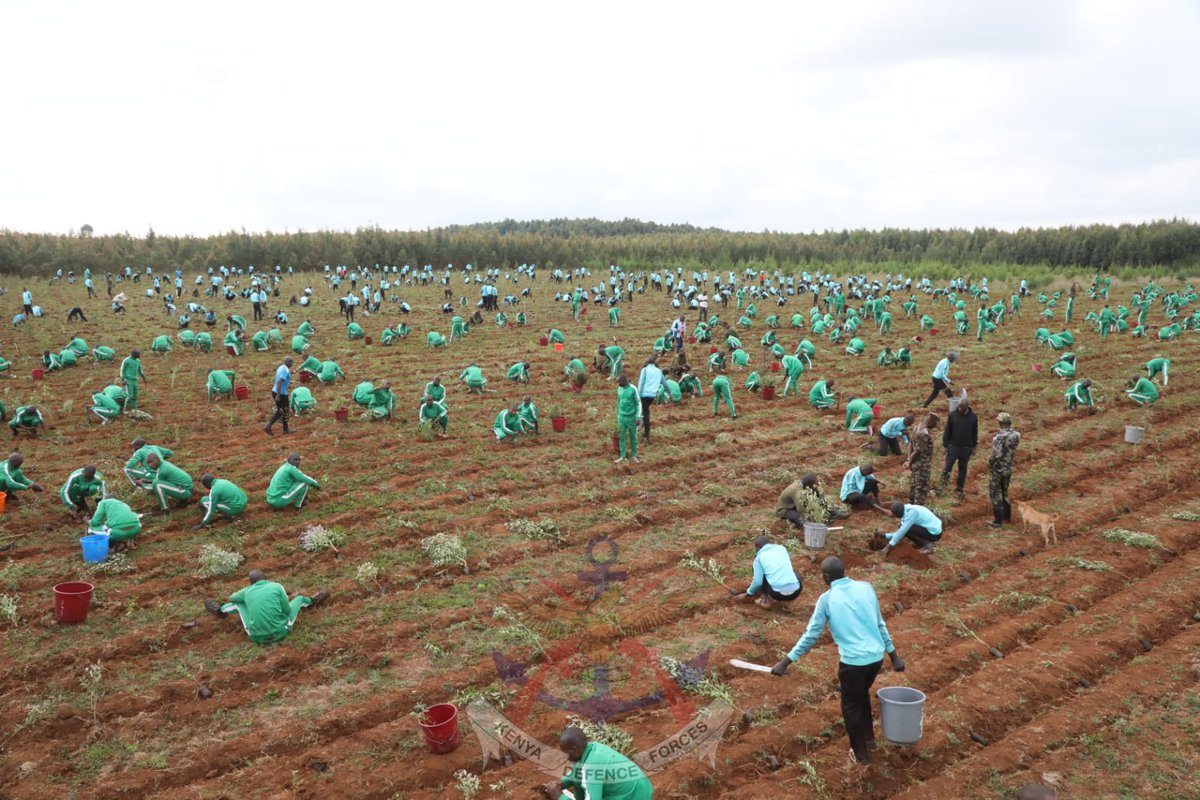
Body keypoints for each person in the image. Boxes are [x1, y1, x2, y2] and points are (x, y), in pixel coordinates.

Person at [770, 556, 904, 766]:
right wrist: (894, 655)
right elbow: (880, 623)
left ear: (825, 577)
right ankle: (869, 741)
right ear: (844, 570)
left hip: (853, 663)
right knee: (861, 695)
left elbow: (811, 636)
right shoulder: (866, 588)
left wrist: (786, 662)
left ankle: (860, 756)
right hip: (876, 658)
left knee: (851, 706)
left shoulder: (826, 600)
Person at [205, 570, 329, 644]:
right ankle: (313, 601)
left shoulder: (248, 591)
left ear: (251, 582)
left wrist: (246, 593)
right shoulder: (276, 586)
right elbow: (287, 610)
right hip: (281, 631)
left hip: (255, 636)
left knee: (239, 603)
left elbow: (232, 598)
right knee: (300, 598)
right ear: (266, 579)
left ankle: (220, 611)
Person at [537, 726, 653, 800]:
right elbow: (579, 771)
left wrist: (560, 797)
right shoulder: (593, 748)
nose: (566, 758)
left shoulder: (591, 769)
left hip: (635, 796)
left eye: (566, 753)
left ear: (574, 749)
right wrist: (562, 783)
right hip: (641, 787)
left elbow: (587, 775)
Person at [732, 532, 801, 608]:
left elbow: (758, 582)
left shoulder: (759, 558)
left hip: (777, 594)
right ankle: (789, 602)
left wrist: (747, 594)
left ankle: (765, 600)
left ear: (757, 547)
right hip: (796, 592)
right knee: (792, 572)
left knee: (762, 573)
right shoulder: (782, 548)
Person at [984, 412, 1021, 528]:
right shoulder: (1016, 435)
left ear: (1001, 423)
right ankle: (1007, 516)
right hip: (1008, 467)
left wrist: (989, 463)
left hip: (997, 468)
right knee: (1005, 491)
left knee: (995, 492)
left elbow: (996, 454)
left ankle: (997, 521)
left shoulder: (998, 437)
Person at [940, 399, 978, 499]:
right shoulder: (953, 415)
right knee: (948, 467)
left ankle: (959, 489)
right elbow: (947, 431)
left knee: (963, 469)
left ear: (967, 407)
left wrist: (974, 447)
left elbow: (975, 432)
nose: (960, 409)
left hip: (966, 448)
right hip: (953, 446)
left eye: (962, 407)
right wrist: (945, 445)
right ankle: (942, 486)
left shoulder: (973, 417)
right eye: (959, 406)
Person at [907, 413, 938, 505]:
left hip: (916, 464)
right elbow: (918, 452)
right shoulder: (924, 434)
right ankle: (918, 511)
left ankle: (911, 507)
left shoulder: (917, 427)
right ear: (931, 422)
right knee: (921, 489)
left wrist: (909, 459)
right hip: (922, 466)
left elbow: (910, 444)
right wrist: (910, 461)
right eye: (935, 424)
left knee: (913, 486)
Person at [614, 374, 641, 463]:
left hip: (631, 418)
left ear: (625, 382)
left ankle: (634, 455)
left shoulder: (633, 389)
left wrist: (638, 417)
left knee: (633, 437)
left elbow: (638, 404)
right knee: (622, 437)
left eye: (620, 383)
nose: (619, 384)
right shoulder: (619, 389)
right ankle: (622, 456)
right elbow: (618, 402)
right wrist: (618, 414)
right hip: (621, 417)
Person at [636, 355, 663, 442]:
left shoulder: (645, 370)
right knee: (645, 412)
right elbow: (664, 382)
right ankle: (645, 432)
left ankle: (647, 434)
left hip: (644, 395)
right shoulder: (659, 371)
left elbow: (641, 382)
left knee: (645, 413)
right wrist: (669, 391)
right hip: (652, 395)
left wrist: (639, 393)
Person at [264, 357, 293, 436]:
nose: (291, 363)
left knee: (283, 411)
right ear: (285, 361)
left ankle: (285, 429)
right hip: (281, 394)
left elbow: (276, 379)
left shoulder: (280, 367)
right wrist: (278, 395)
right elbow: (280, 382)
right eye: (289, 361)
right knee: (283, 411)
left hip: (275, 391)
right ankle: (269, 425)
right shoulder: (285, 370)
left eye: (292, 362)